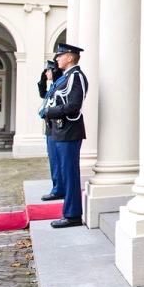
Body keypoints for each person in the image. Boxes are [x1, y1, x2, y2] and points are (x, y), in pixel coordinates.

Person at [40, 43, 89, 228]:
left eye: (60, 56)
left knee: (70, 174)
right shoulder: (66, 77)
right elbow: (50, 95)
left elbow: (73, 106)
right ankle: (70, 211)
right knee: (65, 172)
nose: (57, 59)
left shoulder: (76, 76)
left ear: (70, 57)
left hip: (69, 129)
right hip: (62, 129)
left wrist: (49, 112)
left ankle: (73, 215)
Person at [38, 60, 64, 202]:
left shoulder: (59, 85)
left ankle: (58, 189)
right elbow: (44, 94)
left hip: (55, 126)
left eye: (47, 71)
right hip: (50, 127)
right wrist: (42, 79)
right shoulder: (54, 85)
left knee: (56, 160)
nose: (46, 73)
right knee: (53, 160)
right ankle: (57, 187)